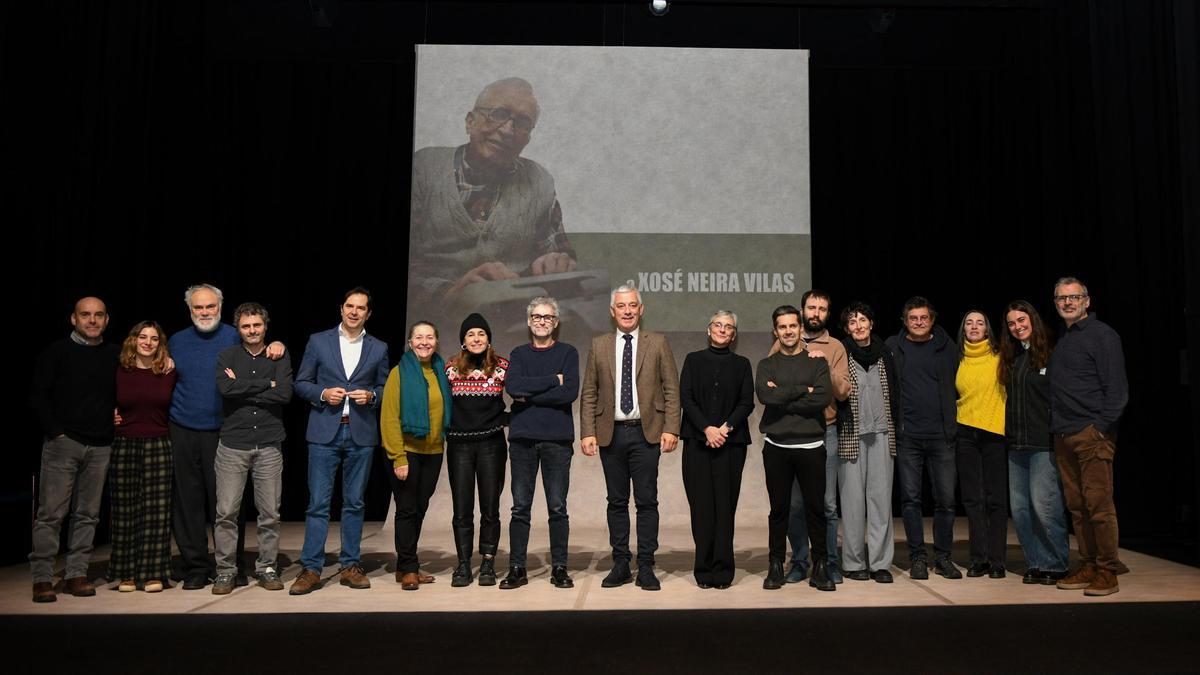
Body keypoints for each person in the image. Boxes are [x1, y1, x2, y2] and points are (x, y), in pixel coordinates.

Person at [408, 77, 576, 319]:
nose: (508, 130)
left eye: (522, 122)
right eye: (498, 114)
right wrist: (448, 293)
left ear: (528, 137)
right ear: (470, 122)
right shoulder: (422, 169)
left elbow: (559, 254)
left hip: (510, 320)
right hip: (433, 321)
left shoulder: (541, 182)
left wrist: (557, 263)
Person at [169, 283, 284, 590]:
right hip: (182, 427)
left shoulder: (236, 337)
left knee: (229, 506)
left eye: (210, 307)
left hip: (223, 430)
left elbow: (264, 351)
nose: (204, 312)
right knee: (188, 501)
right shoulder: (176, 341)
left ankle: (232, 566)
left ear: (220, 309)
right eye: (198, 307)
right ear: (190, 309)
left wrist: (278, 345)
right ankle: (195, 565)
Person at [580, 284, 681, 591]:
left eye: (632, 305)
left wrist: (671, 428)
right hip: (611, 434)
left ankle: (647, 565)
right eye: (621, 306)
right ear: (612, 312)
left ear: (641, 309)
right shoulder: (599, 345)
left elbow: (671, 389)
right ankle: (621, 563)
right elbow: (590, 392)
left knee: (647, 501)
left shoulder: (658, 342)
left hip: (646, 432)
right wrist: (587, 432)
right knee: (616, 502)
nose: (627, 311)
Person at [290, 287, 389, 595]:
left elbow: (387, 388)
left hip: (359, 432)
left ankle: (350, 565)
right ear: (341, 309)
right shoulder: (319, 341)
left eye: (361, 307)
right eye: (350, 306)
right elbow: (301, 382)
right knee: (318, 503)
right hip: (324, 431)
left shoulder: (379, 347)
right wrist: (322, 393)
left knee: (355, 502)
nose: (354, 311)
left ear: (368, 314)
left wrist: (372, 395)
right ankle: (311, 568)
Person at [29, 297, 120, 603]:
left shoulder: (114, 354)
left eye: (98, 315)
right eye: (85, 315)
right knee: (51, 514)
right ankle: (42, 578)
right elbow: (39, 395)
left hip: (101, 445)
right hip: (63, 444)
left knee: (88, 515)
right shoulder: (57, 352)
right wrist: (55, 433)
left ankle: (75, 575)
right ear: (73, 319)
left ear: (106, 319)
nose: (92, 320)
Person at [1048, 277, 1128, 596]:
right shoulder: (1065, 339)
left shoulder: (1103, 336)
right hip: (1064, 434)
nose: (1067, 303)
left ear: (1087, 301)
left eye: (1074, 297)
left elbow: (1117, 390)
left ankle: (1108, 570)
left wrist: (1100, 428)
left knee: (1098, 504)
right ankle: (1090, 564)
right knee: (1077, 506)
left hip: (1090, 433)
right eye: (1061, 298)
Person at [212, 303, 293, 594]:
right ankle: (225, 571)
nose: (252, 331)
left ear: (265, 326)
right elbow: (225, 389)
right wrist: (265, 384)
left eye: (257, 325)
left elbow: (284, 393)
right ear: (239, 329)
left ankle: (267, 568)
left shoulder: (279, 355)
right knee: (226, 513)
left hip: (269, 445)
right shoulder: (227, 356)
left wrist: (245, 384)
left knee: (270, 512)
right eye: (246, 326)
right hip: (233, 444)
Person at [501, 297, 580, 590]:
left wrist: (529, 395)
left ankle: (559, 568)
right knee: (520, 507)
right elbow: (513, 387)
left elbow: (569, 393)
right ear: (529, 321)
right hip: (522, 440)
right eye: (536, 317)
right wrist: (552, 380)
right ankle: (517, 568)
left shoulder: (568, 352)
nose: (542, 321)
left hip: (557, 441)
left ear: (556, 322)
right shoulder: (518, 353)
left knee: (557, 507)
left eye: (547, 317)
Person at [756, 305, 835, 591]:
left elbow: (822, 398)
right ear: (775, 331)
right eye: (782, 327)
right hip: (777, 447)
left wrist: (784, 394)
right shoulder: (767, 365)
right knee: (779, 510)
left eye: (793, 326)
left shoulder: (816, 362)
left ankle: (822, 566)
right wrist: (805, 389)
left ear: (801, 328)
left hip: (812, 446)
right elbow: (766, 396)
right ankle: (776, 565)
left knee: (816, 509)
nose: (788, 331)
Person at [885, 297, 961, 580]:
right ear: (905, 321)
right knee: (911, 500)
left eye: (924, 318)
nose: (918, 322)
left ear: (932, 320)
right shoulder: (893, 347)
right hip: (909, 437)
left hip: (942, 437)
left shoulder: (946, 347)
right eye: (913, 318)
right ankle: (917, 556)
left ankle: (943, 556)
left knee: (946, 501)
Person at [779, 290, 850, 584]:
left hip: (826, 431)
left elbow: (843, 391)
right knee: (795, 504)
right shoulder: (784, 341)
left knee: (827, 503)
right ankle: (798, 561)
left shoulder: (835, 347)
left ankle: (829, 561)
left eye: (822, 308)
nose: (815, 313)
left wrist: (824, 367)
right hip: (792, 432)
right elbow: (774, 386)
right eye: (811, 307)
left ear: (827, 314)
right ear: (802, 310)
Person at [680, 310, 754, 589]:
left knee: (725, 508)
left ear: (734, 334)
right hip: (698, 443)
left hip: (730, 445)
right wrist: (707, 429)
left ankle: (723, 570)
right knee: (701, 508)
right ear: (708, 329)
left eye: (728, 327)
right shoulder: (693, 360)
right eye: (718, 325)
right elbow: (686, 397)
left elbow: (746, 402)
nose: (723, 330)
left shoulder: (742, 364)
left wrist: (724, 428)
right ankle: (703, 569)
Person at [999, 300, 1069, 585]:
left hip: (1043, 443)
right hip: (1016, 445)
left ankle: (1056, 563)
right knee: (1021, 509)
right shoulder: (1013, 358)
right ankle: (1036, 562)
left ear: (1033, 320)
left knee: (1045, 506)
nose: (1017, 327)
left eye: (1021, 320)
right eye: (1012, 323)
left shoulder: (1052, 353)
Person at [380, 321, 451, 591]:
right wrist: (398, 457)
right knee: (407, 509)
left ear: (436, 342)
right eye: (418, 337)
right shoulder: (400, 373)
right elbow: (389, 418)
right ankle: (409, 568)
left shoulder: (440, 372)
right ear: (410, 343)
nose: (424, 342)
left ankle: (404, 565)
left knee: (419, 509)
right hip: (406, 452)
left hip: (433, 452)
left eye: (429, 337)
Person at [110, 321, 177, 593]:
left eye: (154, 339)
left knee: (157, 512)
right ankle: (126, 573)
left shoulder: (168, 371)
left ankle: (153, 573)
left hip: (159, 444)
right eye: (142, 337)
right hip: (124, 444)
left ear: (160, 344)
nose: (148, 342)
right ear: (133, 340)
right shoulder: (119, 371)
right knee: (125, 510)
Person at [444, 313, 509, 587]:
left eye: (481, 334)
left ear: (488, 339)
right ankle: (462, 564)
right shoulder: (450, 368)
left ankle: (487, 562)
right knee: (461, 509)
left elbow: (523, 395)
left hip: (491, 445)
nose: (476, 338)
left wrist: (506, 419)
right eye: (470, 334)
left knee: (490, 508)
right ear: (463, 341)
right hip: (459, 446)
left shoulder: (503, 366)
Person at [836, 303, 898, 583]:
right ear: (847, 328)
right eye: (852, 322)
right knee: (851, 503)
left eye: (863, 320)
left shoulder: (886, 353)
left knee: (880, 499)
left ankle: (880, 563)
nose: (858, 325)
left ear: (871, 323)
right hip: (850, 434)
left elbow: (896, 392)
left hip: (883, 433)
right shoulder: (841, 353)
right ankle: (852, 562)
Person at [955, 310, 1008, 578]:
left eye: (980, 323)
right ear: (963, 329)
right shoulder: (957, 359)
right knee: (973, 499)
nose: (974, 327)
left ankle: (997, 559)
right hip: (965, 433)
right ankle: (979, 558)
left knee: (996, 499)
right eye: (969, 323)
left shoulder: (1001, 357)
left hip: (994, 434)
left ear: (987, 329)